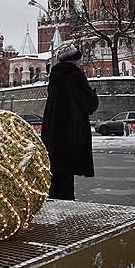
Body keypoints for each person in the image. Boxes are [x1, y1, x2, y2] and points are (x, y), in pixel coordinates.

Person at [41, 44, 99, 200]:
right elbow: (88, 104)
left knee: (56, 169)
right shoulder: (75, 75)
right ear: (75, 60)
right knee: (67, 171)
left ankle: (54, 198)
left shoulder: (55, 75)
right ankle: (67, 201)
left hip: (54, 131)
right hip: (71, 130)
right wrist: (93, 95)